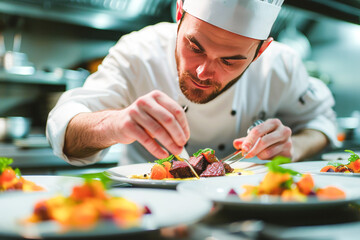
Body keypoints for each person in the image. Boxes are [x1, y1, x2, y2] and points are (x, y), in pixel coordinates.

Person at [46, 0, 337, 166]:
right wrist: (114, 124)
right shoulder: (139, 52)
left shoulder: (281, 66)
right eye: (194, 46)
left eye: (230, 61)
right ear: (179, 13)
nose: (202, 72)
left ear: (260, 51)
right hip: (147, 211)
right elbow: (65, 129)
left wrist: (293, 147)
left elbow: (322, 124)